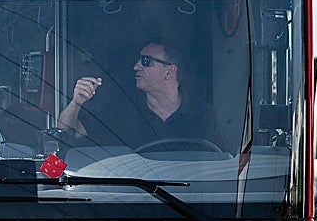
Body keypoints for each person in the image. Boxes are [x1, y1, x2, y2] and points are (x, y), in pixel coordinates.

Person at [56, 41, 228, 151]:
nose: (136, 66)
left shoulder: (203, 115)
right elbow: (68, 132)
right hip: (134, 201)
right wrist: (76, 103)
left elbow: (218, 165)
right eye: (138, 60)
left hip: (186, 204)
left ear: (170, 71)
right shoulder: (122, 110)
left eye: (146, 61)